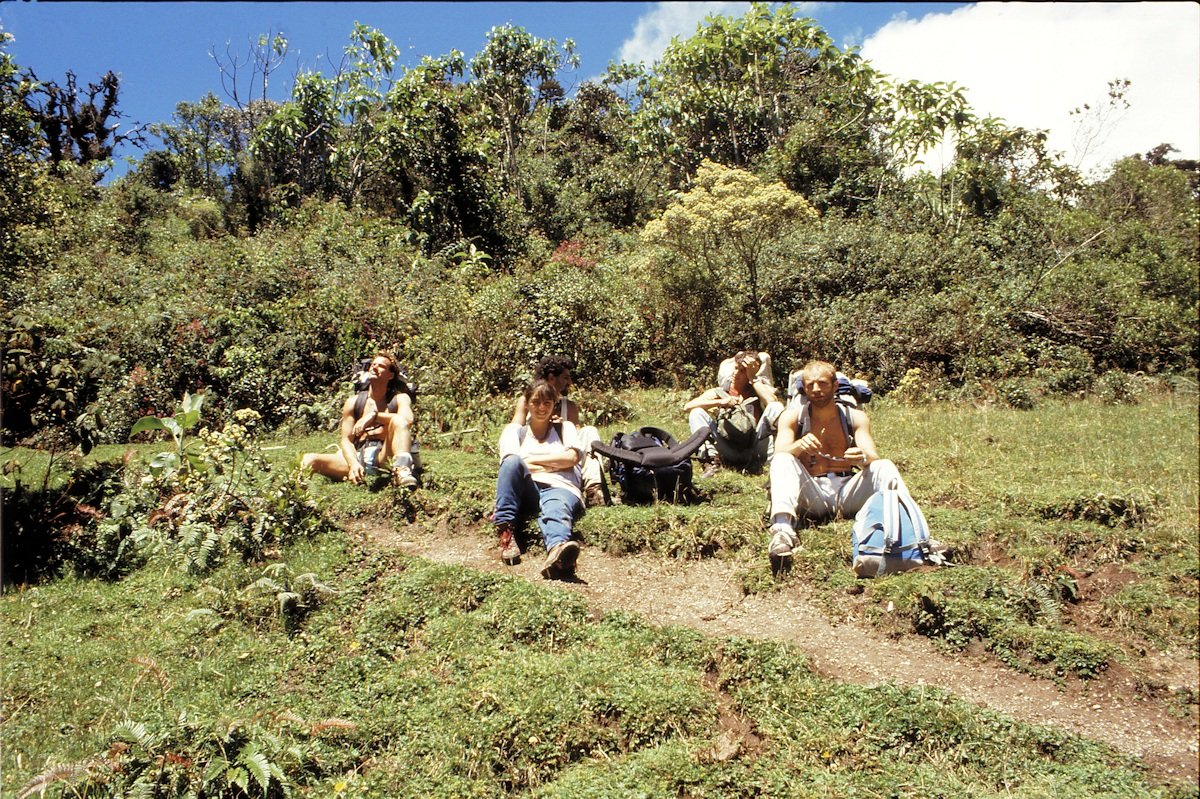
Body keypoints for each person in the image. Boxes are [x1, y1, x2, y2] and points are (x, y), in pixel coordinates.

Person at [766, 359, 913, 563]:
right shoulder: (792, 417)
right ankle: (783, 533)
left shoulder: (855, 417)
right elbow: (781, 450)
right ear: (803, 389)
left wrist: (862, 458)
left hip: (847, 492)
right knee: (782, 459)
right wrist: (799, 446)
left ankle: (912, 533)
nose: (816, 389)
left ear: (835, 385)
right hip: (812, 493)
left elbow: (872, 455)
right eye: (810, 385)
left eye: (823, 383)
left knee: (884, 466)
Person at [495, 379, 585, 579]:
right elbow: (511, 464)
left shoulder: (565, 428)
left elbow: (571, 458)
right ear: (527, 404)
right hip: (529, 489)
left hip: (561, 487)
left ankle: (557, 552)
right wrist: (555, 464)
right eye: (536, 402)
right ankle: (505, 534)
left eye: (547, 403)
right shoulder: (514, 433)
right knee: (512, 463)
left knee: (556, 508)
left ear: (554, 405)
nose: (541, 408)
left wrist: (531, 461)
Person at [300, 352, 418, 488]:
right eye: (373, 365)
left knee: (399, 421)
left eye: (381, 366)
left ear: (390, 375)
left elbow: (407, 421)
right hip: (357, 453)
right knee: (309, 459)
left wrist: (374, 416)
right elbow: (346, 439)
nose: (374, 368)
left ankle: (402, 471)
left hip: (383, 456)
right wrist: (353, 463)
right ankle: (298, 497)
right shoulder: (353, 402)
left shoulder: (400, 399)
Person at [510, 355, 605, 507]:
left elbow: (577, 441)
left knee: (589, 432)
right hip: (536, 451)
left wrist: (565, 427)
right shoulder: (526, 401)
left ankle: (593, 489)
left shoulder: (570, 406)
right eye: (566, 377)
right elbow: (514, 429)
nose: (570, 382)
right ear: (551, 378)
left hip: (564, 454)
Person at [684, 349, 784, 475]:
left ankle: (775, 465)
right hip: (727, 449)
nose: (735, 373)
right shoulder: (720, 392)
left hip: (753, 449)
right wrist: (720, 402)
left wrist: (753, 378)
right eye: (735, 368)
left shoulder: (758, 392)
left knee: (776, 407)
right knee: (696, 413)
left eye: (742, 371)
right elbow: (688, 407)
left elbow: (773, 403)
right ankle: (710, 462)